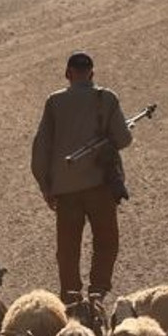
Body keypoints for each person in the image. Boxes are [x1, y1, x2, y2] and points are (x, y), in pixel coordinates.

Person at [31, 51, 132, 302]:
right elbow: (123, 139)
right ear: (92, 74)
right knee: (106, 241)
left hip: (66, 190)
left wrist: (45, 185)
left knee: (67, 248)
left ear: (68, 74)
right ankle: (98, 289)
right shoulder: (106, 98)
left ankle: (70, 294)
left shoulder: (54, 102)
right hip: (100, 186)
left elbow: (41, 147)